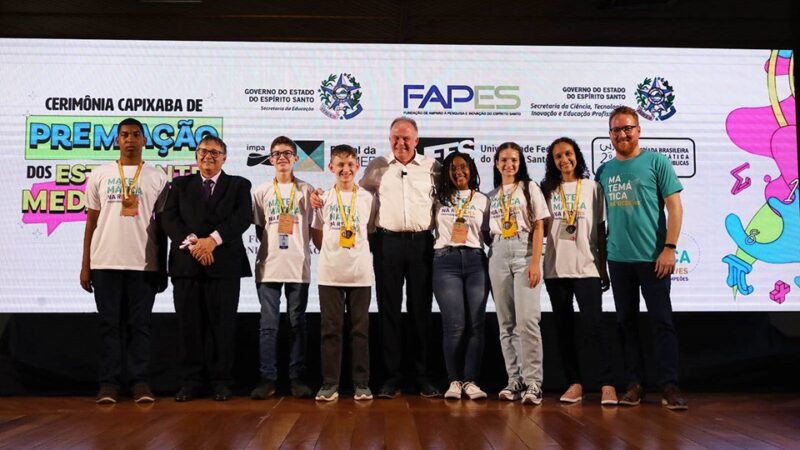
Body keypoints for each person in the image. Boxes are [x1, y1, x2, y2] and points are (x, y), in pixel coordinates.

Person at [313, 117, 441, 398]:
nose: (401, 143)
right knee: (389, 313)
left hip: (421, 244)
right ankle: (392, 378)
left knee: (421, 312)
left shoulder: (433, 168)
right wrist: (320, 197)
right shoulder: (376, 167)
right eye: (395, 138)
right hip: (388, 243)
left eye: (407, 138)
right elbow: (351, 196)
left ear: (417, 141)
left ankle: (422, 377)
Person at [595, 105, 687, 410]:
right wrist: (601, 263)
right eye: (616, 129)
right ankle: (634, 385)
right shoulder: (604, 171)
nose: (622, 134)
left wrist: (670, 248)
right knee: (626, 324)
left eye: (627, 128)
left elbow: (675, 207)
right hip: (618, 260)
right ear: (609, 135)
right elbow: (597, 220)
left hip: (654, 259)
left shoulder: (657, 162)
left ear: (638, 129)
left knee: (662, 323)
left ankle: (669, 386)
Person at [80, 117, 168, 404]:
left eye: (135, 134)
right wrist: (85, 265)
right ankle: (109, 384)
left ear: (144, 141)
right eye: (124, 135)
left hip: (144, 263)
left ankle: (140, 382)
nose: (130, 139)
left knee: (140, 325)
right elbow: (91, 223)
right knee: (109, 325)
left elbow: (164, 227)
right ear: (117, 140)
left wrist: (163, 266)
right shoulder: (99, 175)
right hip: (105, 262)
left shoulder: (158, 177)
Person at [161, 134, 253, 402]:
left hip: (223, 267)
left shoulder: (238, 185)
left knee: (222, 327)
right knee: (188, 327)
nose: (208, 156)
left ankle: (221, 382)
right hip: (187, 265)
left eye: (215, 152)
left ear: (224, 157)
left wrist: (212, 241)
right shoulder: (179, 185)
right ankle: (190, 382)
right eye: (203, 151)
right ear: (196, 156)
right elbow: (169, 218)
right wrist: (195, 245)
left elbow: (242, 218)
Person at [540, 137, 617, 405]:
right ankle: (574, 383)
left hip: (588, 268)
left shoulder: (593, 188)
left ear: (577, 156)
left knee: (595, 327)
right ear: (552, 161)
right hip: (555, 270)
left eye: (568, 154)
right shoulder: (546, 189)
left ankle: (607, 383)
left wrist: (603, 268)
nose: (564, 160)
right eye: (558, 156)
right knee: (563, 329)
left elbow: (600, 231)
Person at [310, 144, 377, 401]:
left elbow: (368, 231)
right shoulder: (322, 197)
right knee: (331, 330)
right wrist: (332, 251)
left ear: (357, 166)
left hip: (360, 273)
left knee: (360, 331)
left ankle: (361, 383)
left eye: (350, 164)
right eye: (340, 165)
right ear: (331, 168)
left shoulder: (367, 198)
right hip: (330, 273)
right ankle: (329, 384)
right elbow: (317, 234)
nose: (345, 169)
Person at [250, 136, 314, 400]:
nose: (282, 158)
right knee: (268, 325)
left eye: (288, 153)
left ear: (296, 158)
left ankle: (297, 378)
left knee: (297, 323)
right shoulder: (261, 191)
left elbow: (313, 227)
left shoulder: (308, 190)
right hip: (269, 267)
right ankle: (268, 378)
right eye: (277, 154)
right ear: (271, 159)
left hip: (298, 266)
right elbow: (259, 228)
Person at [486, 142, 550, 405]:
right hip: (498, 252)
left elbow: (539, 226)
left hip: (525, 253)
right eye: (503, 160)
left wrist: (536, 262)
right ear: (496, 163)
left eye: (513, 159)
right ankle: (515, 379)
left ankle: (534, 382)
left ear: (520, 162)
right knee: (506, 323)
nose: (508, 164)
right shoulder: (491, 195)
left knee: (528, 321)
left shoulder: (529, 188)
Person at [432, 152, 491, 400]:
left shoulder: (483, 199)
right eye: (453, 168)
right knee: (454, 325)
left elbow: (488, 234)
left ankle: (471, 381)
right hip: (446, 262)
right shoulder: (437, 199)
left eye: (463, 167)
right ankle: (454, 380)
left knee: (476, 324)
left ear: (472, 169)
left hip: (476, 261)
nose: (459, 172)